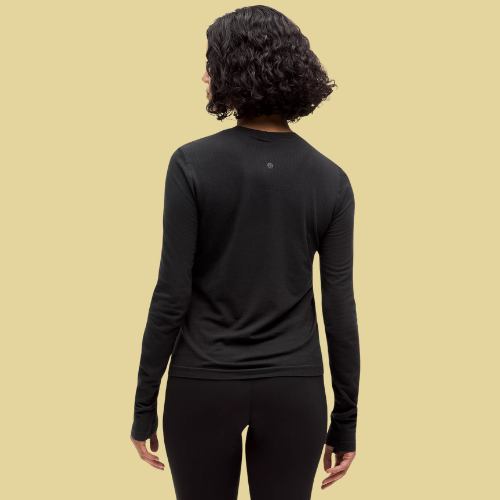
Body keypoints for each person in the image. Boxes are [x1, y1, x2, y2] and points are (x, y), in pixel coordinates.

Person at [130, 5, 360, 499]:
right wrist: (346, 418)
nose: (204, 74)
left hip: (202, 382)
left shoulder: (191, 164)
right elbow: (339, 306)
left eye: (210, 61)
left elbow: (172, 292)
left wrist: (144, 403)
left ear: (236, 68)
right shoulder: (331, 180)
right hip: (294, 387)